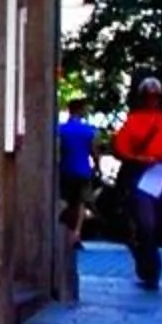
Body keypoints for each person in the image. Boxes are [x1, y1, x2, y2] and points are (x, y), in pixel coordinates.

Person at [110, 75, 162, 288]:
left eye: (155, 97)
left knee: (154, 223)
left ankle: (148, 263)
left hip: (159, 179)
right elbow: (120, 148)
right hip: (139, 178)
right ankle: (150, 266)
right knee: (146, 224)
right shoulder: (133, 121)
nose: (152, 100)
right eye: (149, 96)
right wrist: (138, 158)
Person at [57, 100, 97, 234]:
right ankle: (77, 232)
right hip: (83, 170)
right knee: (81, 201)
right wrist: (97, 166)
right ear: (80, 111)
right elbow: (93, 151)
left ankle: (59, 228)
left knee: (64, 198)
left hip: (65, 169)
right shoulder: (88, 130)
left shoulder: (61, 129)